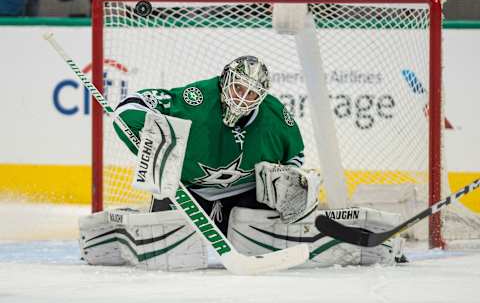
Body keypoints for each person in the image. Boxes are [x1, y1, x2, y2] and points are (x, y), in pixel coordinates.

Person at [78, 56, 405, 271]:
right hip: (187, 190)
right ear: (225, 81)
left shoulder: (277, 117)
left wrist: (291, 182)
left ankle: (360, 242)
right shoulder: (197, 97)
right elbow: (142, 101)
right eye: (238, 87)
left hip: (246, 193)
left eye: (252, 94)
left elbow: (296, 156)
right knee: (168, 256)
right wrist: (131, 116)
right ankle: (115, 231)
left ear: (262, 96)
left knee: (257, 241)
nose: (242, 98)